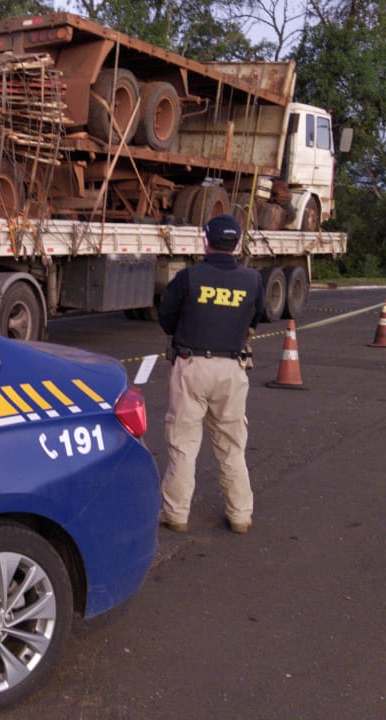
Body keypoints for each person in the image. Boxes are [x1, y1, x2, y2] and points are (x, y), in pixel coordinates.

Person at [156, 213, 265, 534]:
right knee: (232, 446)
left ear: (205, 241)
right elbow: (255, 318)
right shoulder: (253, 280)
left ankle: (176, 514)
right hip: (232, 369)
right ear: (239, 243)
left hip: (191, 366)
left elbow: (167, 318)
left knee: (183, 444)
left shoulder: (189, 278)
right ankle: (241, 515)